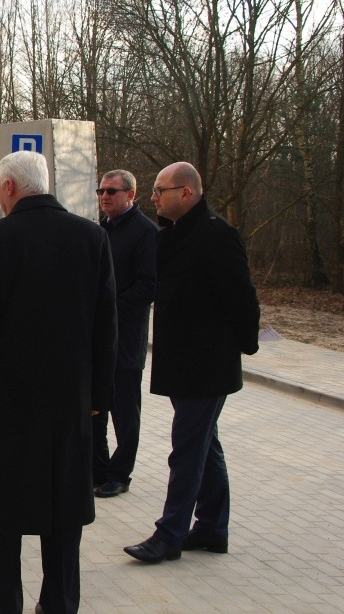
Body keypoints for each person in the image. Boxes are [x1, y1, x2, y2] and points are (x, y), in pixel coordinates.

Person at [0, 151, 117, 614]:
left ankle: (4, 602)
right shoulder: (92, 237)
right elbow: (106, 325)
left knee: (5, 509)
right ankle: (61, 602)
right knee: (64, 508)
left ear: (9, 188)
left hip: (8, 401)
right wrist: (99, 398)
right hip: (71, 401)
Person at [123, 162, 260, 564]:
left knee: (186, 450)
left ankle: (169, 535)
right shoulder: (174, 235)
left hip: (206, 367)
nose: (153, 197)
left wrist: (244, 347)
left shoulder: (218, 235)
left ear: (186, 192)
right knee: (205, 445)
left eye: (160, 190)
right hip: (183, 365)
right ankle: (213, 529)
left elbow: (242, 299)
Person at [92, 170, 159, 498]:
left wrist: (110, 309)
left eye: (112, 192)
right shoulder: (100, 229)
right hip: (96, 337)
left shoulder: (145, 232)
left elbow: (149, 284)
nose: (104, 196)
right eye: (101, 190)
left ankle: (120, 474)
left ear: (131, 195)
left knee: (124, 412)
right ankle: (98, 469)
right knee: (95, 406)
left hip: (126, 337)